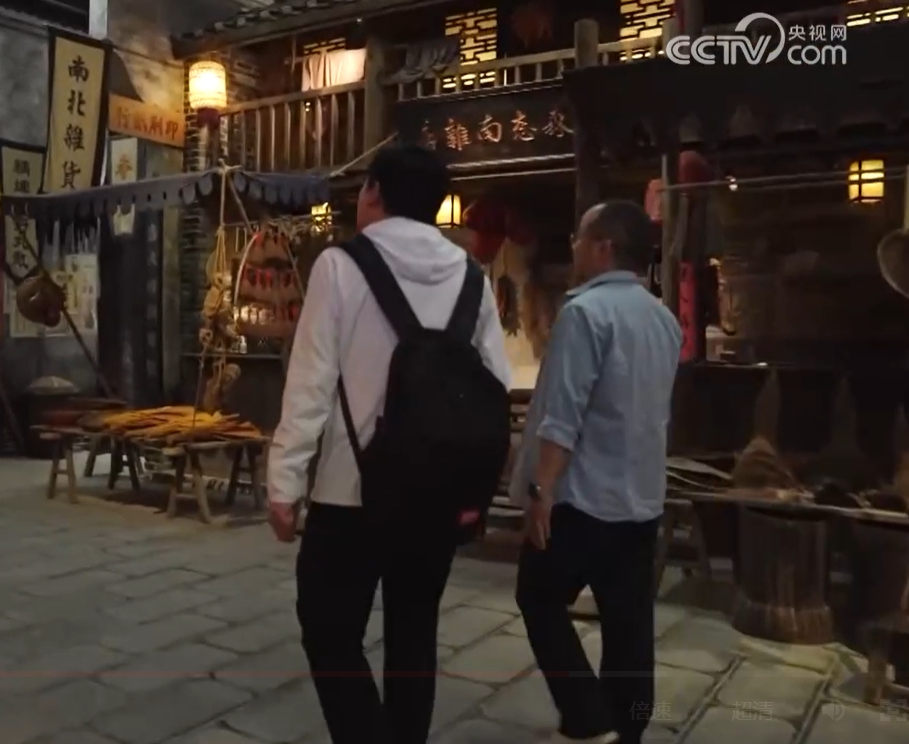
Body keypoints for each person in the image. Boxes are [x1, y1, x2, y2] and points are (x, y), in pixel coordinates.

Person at [266, 144, 511, 744]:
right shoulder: (472, 277)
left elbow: (310, 382)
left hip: (351, 492)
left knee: (329, 631)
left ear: (373, 191)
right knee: (414, 634)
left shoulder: (340, 266)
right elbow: (495, 389)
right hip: (437, 494)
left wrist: (284, 482)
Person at [510, 200, 682, 744]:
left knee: (538, 597)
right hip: (640, 495)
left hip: (581, 497)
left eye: (580, 238)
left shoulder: (584, 314)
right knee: (628, 621)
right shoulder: (663, 318)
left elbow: (563, 414)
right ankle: (628, 727)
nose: (574, 247)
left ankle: (587, 716)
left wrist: (542, 490)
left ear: (604, 247)